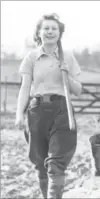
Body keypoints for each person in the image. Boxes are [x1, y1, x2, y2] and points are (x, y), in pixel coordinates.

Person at [15, 13, 82, 199]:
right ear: (39, 32)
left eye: (54, 28)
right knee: (40, 162)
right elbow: (25, 87)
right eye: (46, 28)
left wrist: (67, 74)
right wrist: (19, 114)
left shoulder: (67, 56)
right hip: (36, 111)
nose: (50, 32)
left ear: (60, 33)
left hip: (61, 110)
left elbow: (79, 90)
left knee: (56, 163)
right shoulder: (31, 57)